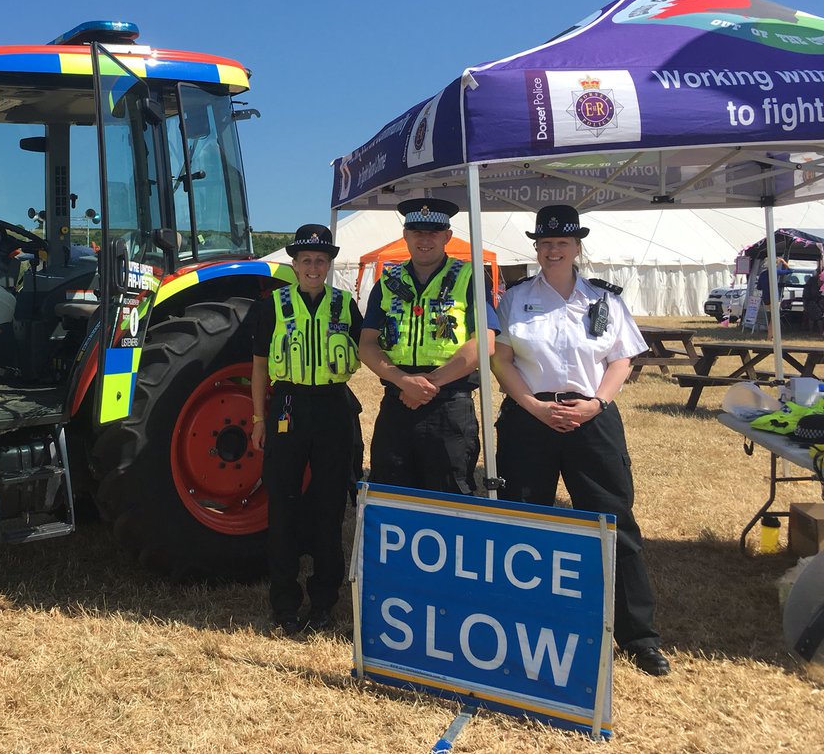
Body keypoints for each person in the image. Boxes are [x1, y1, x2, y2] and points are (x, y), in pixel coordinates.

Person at [490, 204, 670, 678]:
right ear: (536, 246)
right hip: (530, 418)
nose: (553, 250)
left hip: (591, 417)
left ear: (576, 247)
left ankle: (639, 635)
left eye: (562, 243)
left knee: (614, 522)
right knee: (524, 521)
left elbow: (621, 359)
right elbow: (501, 361)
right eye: (545, 242)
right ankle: (523, 620)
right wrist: (533, 407)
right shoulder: (514, 298)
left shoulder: (604, 298)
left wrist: (598, 404)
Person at [251, 224, 362, 635]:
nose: (313, 267)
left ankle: (323, 602)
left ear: (329, 265)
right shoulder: (272, 306)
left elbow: (363, 350)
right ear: (294, 265)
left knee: (329, 507)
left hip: (333, 406)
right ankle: (283, 603)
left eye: (320, 261)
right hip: (288, 407)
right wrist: (259, 419)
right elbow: (259, 366)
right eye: (306, 261)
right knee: (282, 505)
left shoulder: (345, 305)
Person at [357, 198, 499, 493]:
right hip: (397, 402)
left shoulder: (470, 277)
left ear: (447, 236)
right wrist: (403, 381)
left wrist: (427, 385)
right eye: (417, 231)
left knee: (449, 492)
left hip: (449, 405)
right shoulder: (387, 280)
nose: (425, 239)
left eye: (433, 231)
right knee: (390, 490)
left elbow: (484, 342)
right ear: (405, 235)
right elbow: (367, 344)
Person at [755, 257, 791, 338]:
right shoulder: (776, 272)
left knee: (771, 316)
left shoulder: (763, 274)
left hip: (766, 297)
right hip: (774, 296)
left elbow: (759, 287)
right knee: (774, 317)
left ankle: (771, 334)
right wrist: (784, 262)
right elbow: (790, 271)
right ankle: (770, 335)